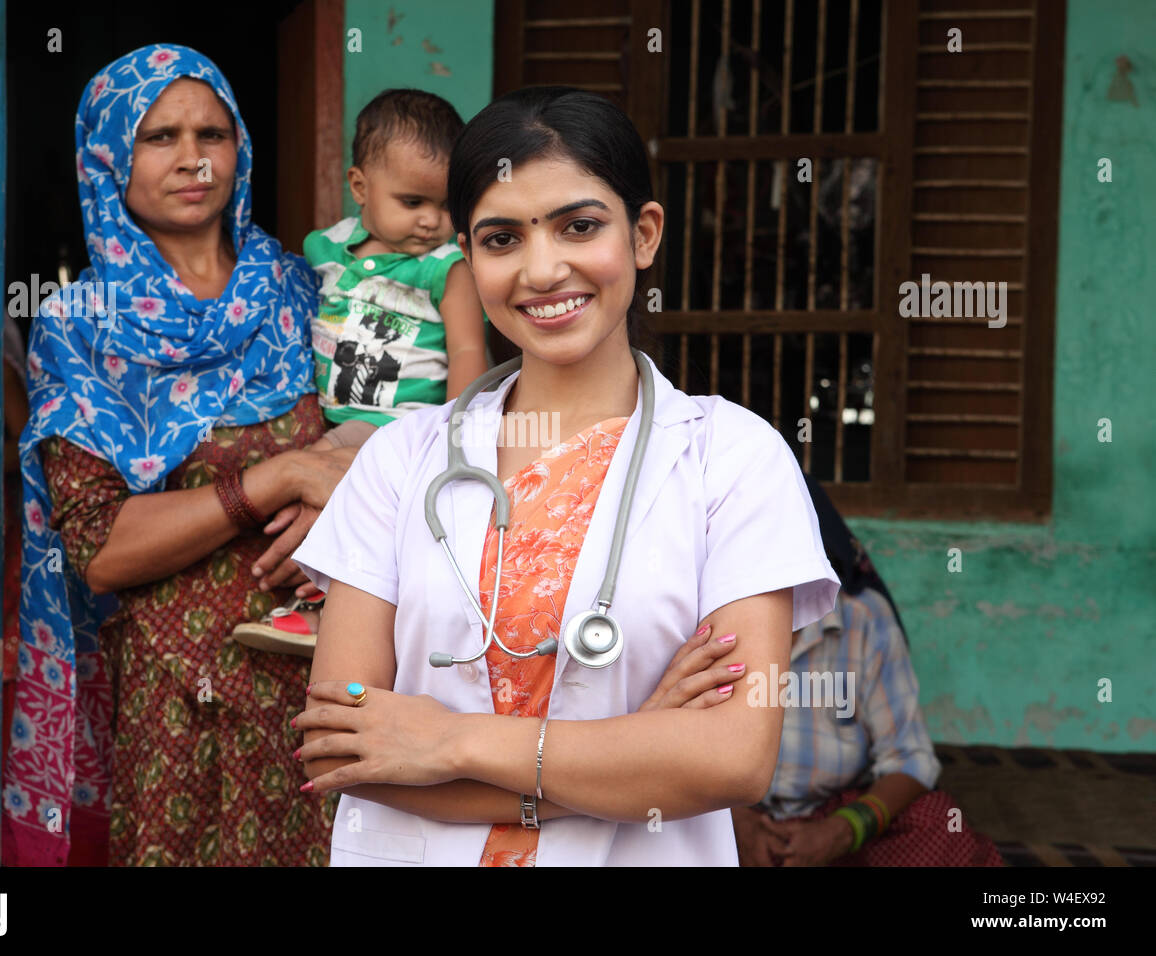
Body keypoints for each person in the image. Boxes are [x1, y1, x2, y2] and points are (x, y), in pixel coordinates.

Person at [289, 86, 841, 866]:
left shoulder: (734, 459)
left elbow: (732, 760)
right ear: (468, 255)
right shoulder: (400, 459)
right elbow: (339, 752)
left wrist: (446, 741)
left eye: (579, 227)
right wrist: (631, 747)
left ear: (644, 234)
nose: (543, 270)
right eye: (502, 238)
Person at [2, 44, 361, 867]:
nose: (194, 159)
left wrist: (337, 487)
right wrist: (276, 477)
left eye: (213, 132)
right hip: (180, 707)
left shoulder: (307, 292)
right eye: (159, 137)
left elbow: (400, 433)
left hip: (332, 678)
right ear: (107, 161)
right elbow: (100, 551)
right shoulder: (81, 325)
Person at [731, 480, 1003, 865]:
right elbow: (671, 749)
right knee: (648, 828)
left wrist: (841, 832)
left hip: (832, 819)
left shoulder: (864, 620)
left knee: (937, 822)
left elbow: (910, 758)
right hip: (722, 819)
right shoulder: (702, 619)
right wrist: (735, 823)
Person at [301, 89, 490, 454]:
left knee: (309, 464)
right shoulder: (327, 248)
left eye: (447, 205)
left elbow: (467, 350)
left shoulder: (446, 267)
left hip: (401, 424)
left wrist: (448, 437)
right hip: (328, 413)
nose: (431, 221)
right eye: (412, 202)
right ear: (360, 187)